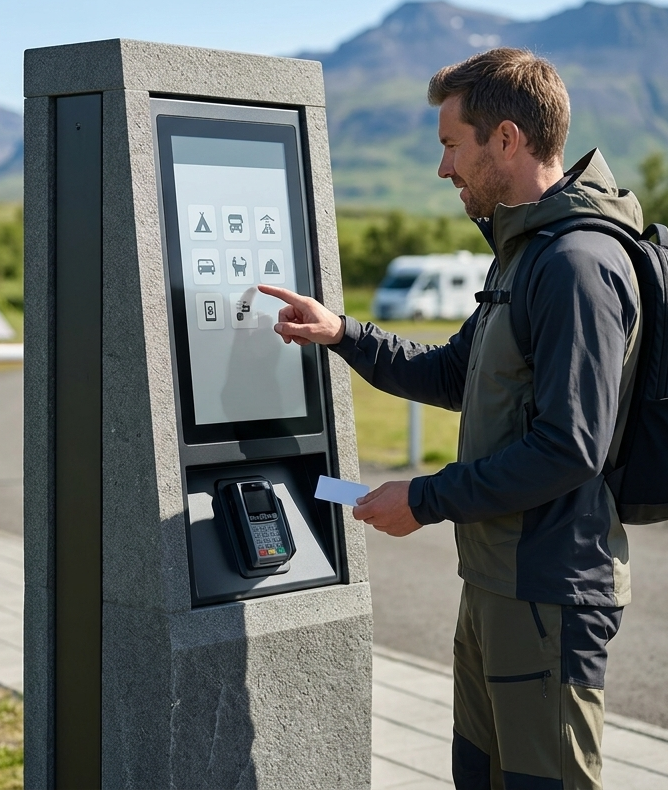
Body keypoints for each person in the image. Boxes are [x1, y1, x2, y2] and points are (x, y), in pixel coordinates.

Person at [260, 47, 643, 790]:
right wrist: (342, 332)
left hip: (550, 593)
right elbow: (452, 372)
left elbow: (571, 447)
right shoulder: (523, 254)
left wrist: (426, 499)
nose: (444, 169)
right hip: (499, 585)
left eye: (450, 145)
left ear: (506, 138)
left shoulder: (576, 264)